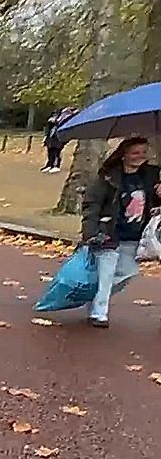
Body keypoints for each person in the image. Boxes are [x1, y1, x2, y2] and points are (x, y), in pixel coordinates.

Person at [81, 136, 160, 327]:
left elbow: (154, 206)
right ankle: (100, 314)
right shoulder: (108, 177)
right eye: (134, 153)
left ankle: (95, 297)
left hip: (134, 236)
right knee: (107, 274)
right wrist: (90, 232)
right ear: (123, 155)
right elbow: (92, 204)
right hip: (108, 233)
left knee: (127, 273)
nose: (139, 157)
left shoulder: (151, 176)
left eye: (143, 152)